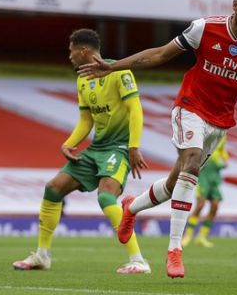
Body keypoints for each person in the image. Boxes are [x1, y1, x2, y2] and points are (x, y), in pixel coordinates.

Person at [79, 0, 237, 278]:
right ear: (235, 5)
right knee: (192, 163)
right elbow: (160, 54)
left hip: (220, 122)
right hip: (189, 107)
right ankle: (174, 250)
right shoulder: (204, 28)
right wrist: (114, 64)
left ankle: (131, 207)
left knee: (176, 184)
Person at [12, 28, 151, 274]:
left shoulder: (119, 71)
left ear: (83, 50)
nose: (69, 56)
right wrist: (69, 143)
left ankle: (138, 260)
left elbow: (135, 109)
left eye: (71, 50)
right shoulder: (82, 79)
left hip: (118, 147)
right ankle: (42, 256)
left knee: (106, 195)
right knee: (53, 188)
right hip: (96, 148)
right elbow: (86, 120)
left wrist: (133, 147)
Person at [182, 136, 229, 248]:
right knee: (200, 205)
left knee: (215, 205)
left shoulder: (222, 133)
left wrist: (225, 159)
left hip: (215, 171)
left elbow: (221, 149)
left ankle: (201, 237)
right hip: (203, 170)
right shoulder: (205, 130)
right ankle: (187, 236)